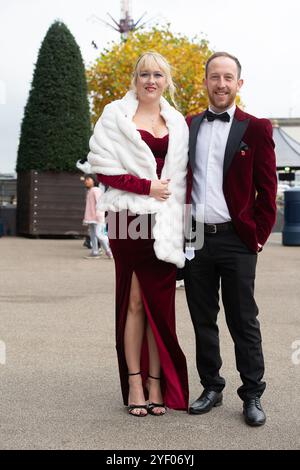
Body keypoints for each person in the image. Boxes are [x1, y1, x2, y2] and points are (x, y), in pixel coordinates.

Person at [87, 52, 189, 416]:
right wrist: (146, 187)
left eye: (158, 74)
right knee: (133, 303)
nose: (151, 80)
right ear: (135, 78)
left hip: (167, 224)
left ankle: (157, 383)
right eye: (144, 73)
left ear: (166, 80)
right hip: (128, 220)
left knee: (159, 308)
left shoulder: (177, 121)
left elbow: (183, 181)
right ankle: (134, 382)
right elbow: (102, 167)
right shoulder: (115, 116)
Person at [184, 52, 277, 426]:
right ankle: (211, 387)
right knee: (202, 318)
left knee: (243, 320)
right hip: (196, 237)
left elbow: (267, 192)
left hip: (237, 239)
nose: (221, 84)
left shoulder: (256, 128)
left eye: (228, 78)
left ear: (239, 84)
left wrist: (257, 238)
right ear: (205, 81)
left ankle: (252, 394)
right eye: (214, 77)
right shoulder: (188, 125)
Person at [82, 174, 113, 259]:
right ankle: (95, 251)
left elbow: (100, 203)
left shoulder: (96, 190)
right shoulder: (90, 191)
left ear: (94, 180)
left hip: (97, 218)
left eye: (88, 179)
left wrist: (100, 216)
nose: (86, 181)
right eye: (85, 180)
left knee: (99, 234)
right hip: (91, 218)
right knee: (92, 235)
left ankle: (109, 251)